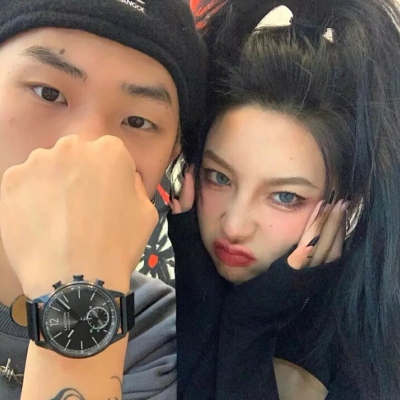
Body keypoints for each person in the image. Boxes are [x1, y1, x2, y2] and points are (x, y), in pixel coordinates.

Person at [169, 0, 400, 399]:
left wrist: (250, 325)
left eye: (284, 196)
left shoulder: (364, 350)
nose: (234, 226)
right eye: (219, 177)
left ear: (345, 203)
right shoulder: (174, 287)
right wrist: (199, 288)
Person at [0, 0, 207, 399]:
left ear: (170, 157)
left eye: (138, 121)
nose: (86, 147)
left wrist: (78, 294)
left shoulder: (166, 338)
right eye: (48, 93)